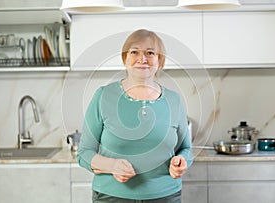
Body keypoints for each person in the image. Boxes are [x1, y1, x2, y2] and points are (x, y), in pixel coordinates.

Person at [77, 29, 193, 203]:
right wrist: (112, 166)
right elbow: (84, 152)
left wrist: (182, 161)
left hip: (165, 196)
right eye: (134, 52)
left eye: (150, 53)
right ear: (125, 59)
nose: (142, 58)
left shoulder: (174, 100)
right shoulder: (103, 96)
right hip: (111, 197)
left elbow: (186, 149)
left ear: (160, 61)